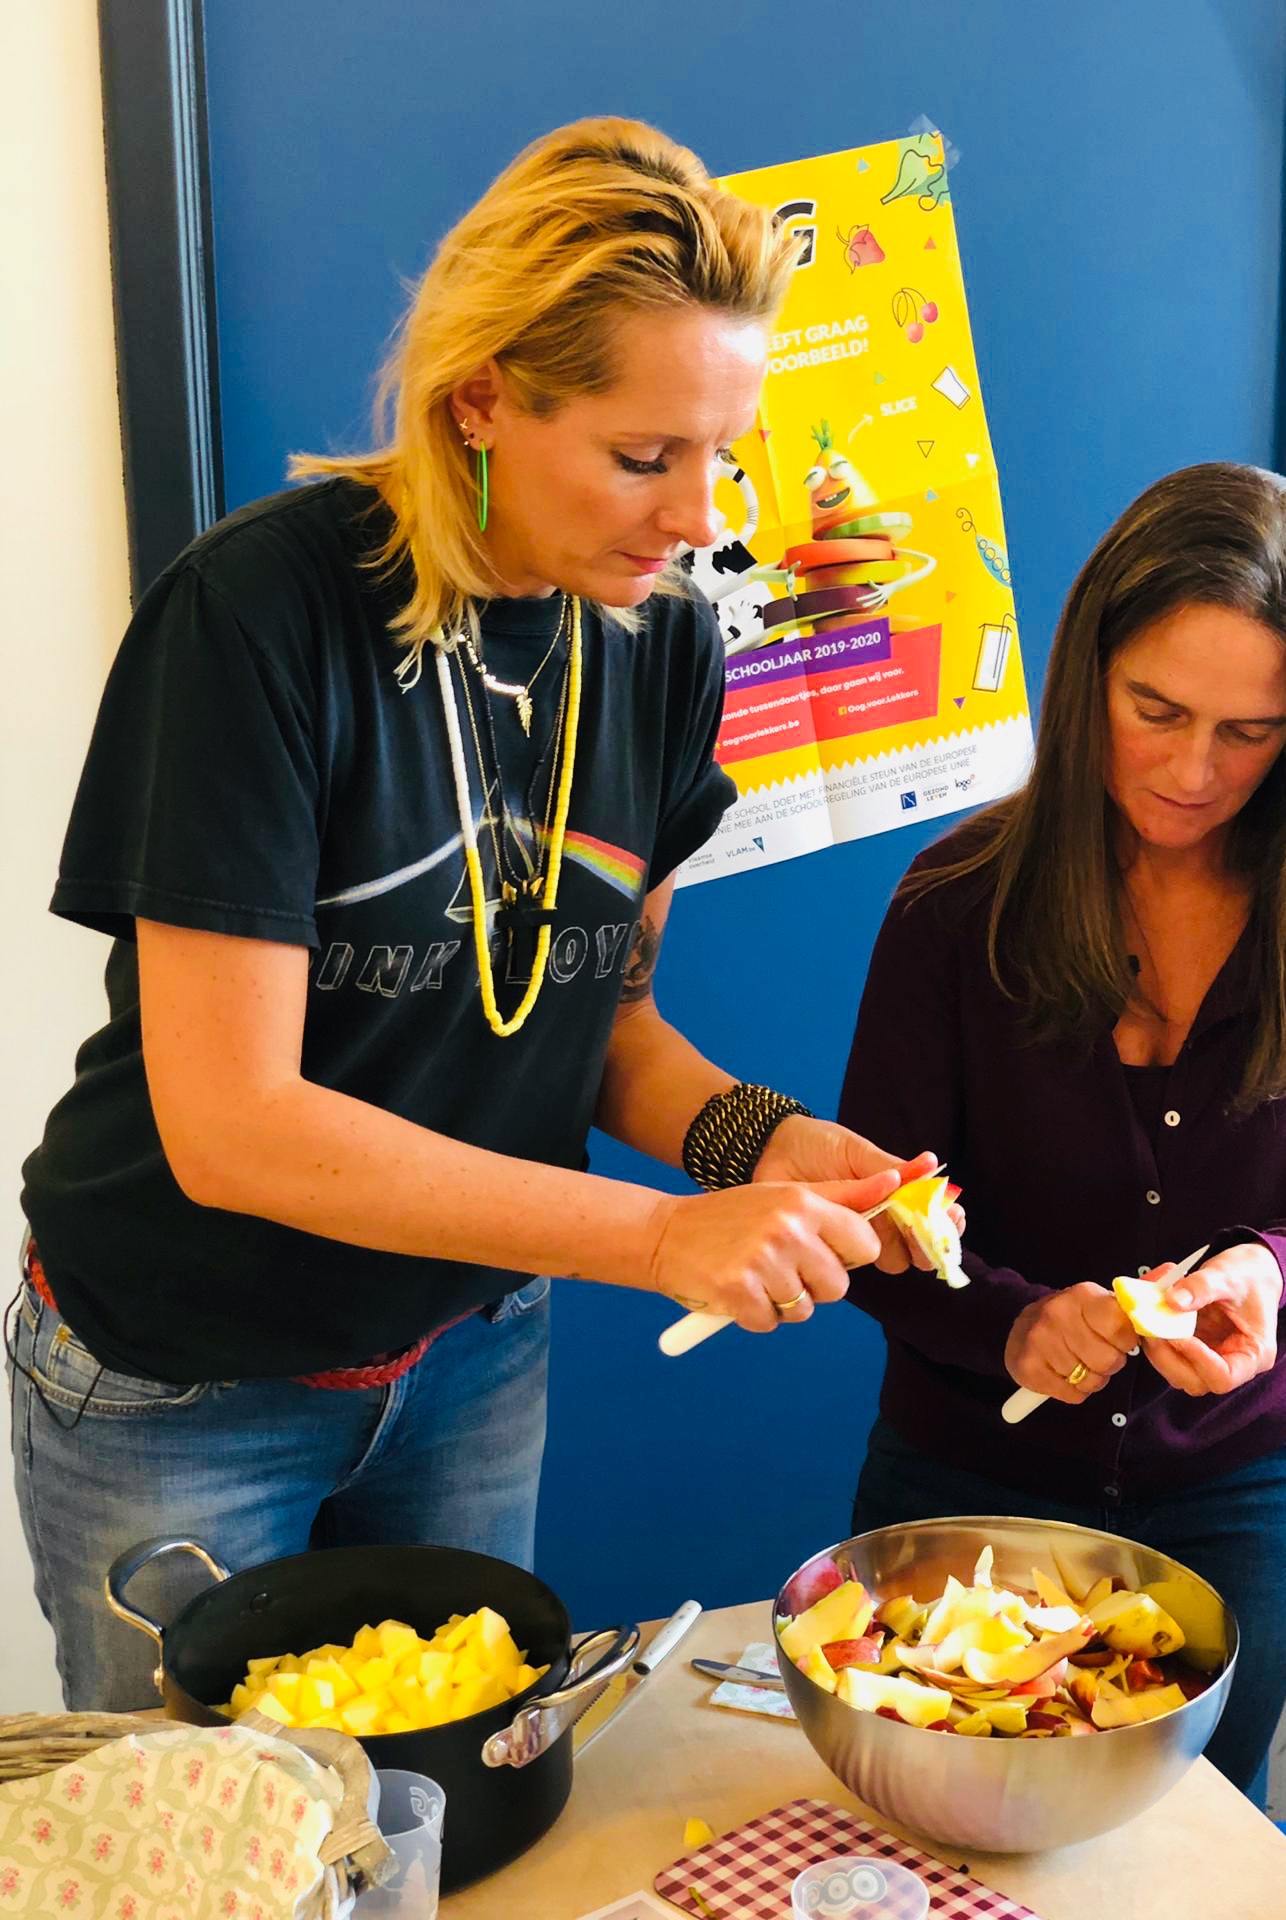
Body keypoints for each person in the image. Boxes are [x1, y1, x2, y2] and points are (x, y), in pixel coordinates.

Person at [9, 117, 935, 1712]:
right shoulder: (259, 620)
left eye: (727, 449)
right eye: (646, 457)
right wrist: (662, 1238)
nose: (702, 513)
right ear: (482, 401)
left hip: (469, 1357)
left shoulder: (657, 643)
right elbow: (234, 1126)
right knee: (214, 1858)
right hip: (186, 1379)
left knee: (452, 1817)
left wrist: (760, 1147)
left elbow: (602, 1027)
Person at [837, 462, 1286, 1801]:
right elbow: (879, 1218)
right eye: (1153, 710)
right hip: (968, 1476)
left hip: (1252, 1488)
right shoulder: (956, 905)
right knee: (943, 1826)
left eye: (1254, 731)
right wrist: (1014, 1323)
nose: (1193, 771)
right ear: (1084, 668)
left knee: (1202, 1839)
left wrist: (1267, 1274)